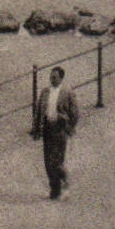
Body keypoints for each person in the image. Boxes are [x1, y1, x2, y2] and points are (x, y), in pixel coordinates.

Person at [32, 66, 79, 199]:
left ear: (61, 78)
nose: (51, 80)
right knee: (48, 161)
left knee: (57, 161)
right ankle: (54, 190)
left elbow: (75, 113)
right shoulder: (45, 92)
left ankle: (64, 183)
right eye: (50, 77)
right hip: (47, 129)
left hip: (60, 129)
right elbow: (38, 112)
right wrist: (36, 129)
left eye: (54, 77)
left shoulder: (68, 93)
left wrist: (69, 127)